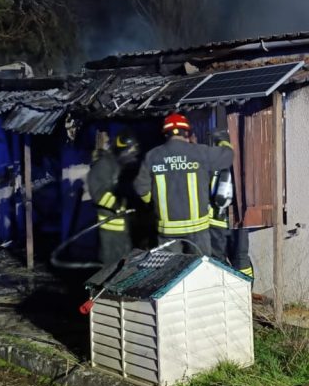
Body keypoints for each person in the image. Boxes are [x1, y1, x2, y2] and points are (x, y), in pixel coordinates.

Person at [134, 113, 233, 256]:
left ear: (165, 134)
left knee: (170, 272)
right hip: (197, 231)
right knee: (199, 270)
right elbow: (227, 156)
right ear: (186, 132)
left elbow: (141, 189)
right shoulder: (199, 152)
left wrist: (151, 202)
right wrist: (223, 140)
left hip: (167, 232)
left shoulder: (152, 156)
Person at [86, 129, 140, 269]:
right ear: (121, 150)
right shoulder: (104, 165)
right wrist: (119, 205)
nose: (132, 156)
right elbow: (98, 194)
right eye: (130, 152)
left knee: (125, 262)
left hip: (123, 227)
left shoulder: (119, 166)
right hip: (110, 228)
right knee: (111, 265)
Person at [208, 128, 235, 264]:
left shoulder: (220, 164)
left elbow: (221, 195)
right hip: (228, 220)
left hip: (216, 219)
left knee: (218, 258)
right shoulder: (232, 161)